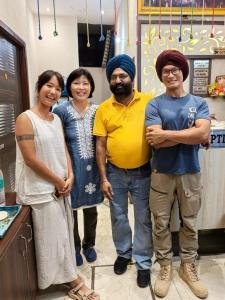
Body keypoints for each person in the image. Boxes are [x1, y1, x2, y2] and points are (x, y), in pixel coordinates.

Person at [15, 70, 99, 300]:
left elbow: (63, 149)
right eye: (48, 86)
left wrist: (70, 175)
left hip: (61, 187)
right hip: (41, 191)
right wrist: (59, 181)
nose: (52, 92)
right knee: (51, 238)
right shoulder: (26, 118)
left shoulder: (56, 118)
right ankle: (72, 280)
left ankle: (66, 274)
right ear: (38, 86)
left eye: (56, 88)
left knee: (62, 234)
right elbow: (31, 159)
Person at [145, 50, 210, 299]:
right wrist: (189, 134)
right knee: (160, 222)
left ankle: (187, 266)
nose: (170, 74)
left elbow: (203, 135)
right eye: (165, 71)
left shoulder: (199, 103)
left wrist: (168, 135)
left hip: (190, 171)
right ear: (161, 76)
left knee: (190, 222)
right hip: (161, 172)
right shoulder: (155, 104)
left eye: (174, 70)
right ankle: (165, 266)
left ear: (183, 72)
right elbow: (154, 140)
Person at [93, 54, 153, 288]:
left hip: (143, 171)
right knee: (118, 216)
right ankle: (123, 253)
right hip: (115, 172)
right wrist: (103, 177)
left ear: (131, 77)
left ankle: (143, 261)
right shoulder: (104, 109)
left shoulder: (149, 101)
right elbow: (100, 145)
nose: (118, 80)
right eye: (114, 76)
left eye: (123, 76)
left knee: (142, 218)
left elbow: (166, 122)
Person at [53, 68, 103, 266]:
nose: (81, 87)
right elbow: (58, 142)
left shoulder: (98, 110)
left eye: (85, 83)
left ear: (91, 87)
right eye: (76, 83)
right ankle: (74, 248)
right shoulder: (61, 111)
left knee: (91, 210)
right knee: (70, 210)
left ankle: (88, 245)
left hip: (94, 168)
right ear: (69, 86)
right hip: (70, 169)